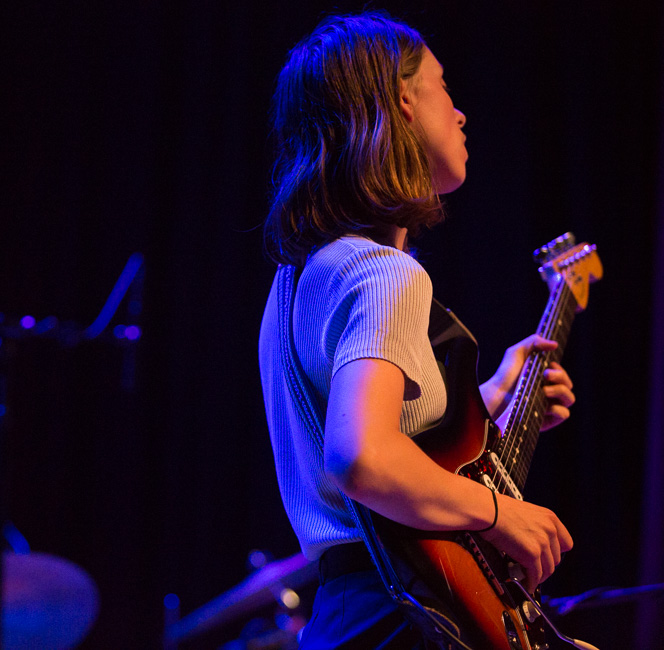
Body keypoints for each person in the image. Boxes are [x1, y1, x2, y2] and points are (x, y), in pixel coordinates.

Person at [258, 12, 576, 648]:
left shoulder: (297, 281)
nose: (461, 114)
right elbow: (362, 457)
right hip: (398, 615)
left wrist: (489, 402)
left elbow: (369, 442)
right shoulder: (387, 274)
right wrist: (500, 513)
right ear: (403, 101)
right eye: (444, 88)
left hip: (343, 616)